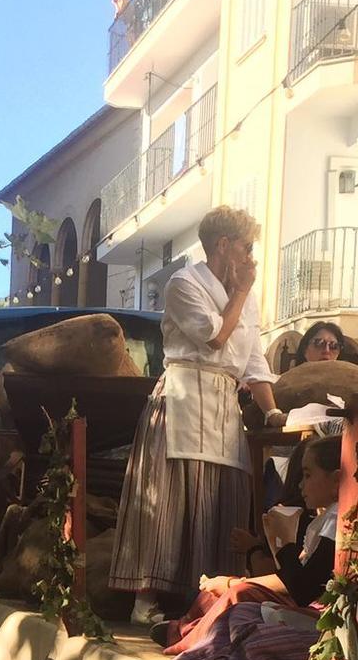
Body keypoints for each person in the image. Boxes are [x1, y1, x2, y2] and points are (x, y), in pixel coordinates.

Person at [108, 204, 281, 627]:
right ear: (223, 246)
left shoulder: (249, 300)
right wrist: (240, 293)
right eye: (246, 247)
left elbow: (253, 360)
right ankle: (146, 599)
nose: (251, 256)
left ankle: (207, 601)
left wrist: (273, 410)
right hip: (183, 397)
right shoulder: (183, 283)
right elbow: (215, 338)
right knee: (170, 500)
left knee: (222, 497)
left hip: (223, 402)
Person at [157, 434, 345, 656]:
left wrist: (280, 543)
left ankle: (190, 641)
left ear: (336, 481)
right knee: (220, 592)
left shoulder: (336, 521)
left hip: (313, 610)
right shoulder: (322, 517)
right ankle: (185, 630)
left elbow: (300, 588)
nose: (301, 485)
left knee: (240, 593)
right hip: (294, 595)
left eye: (307, 475)